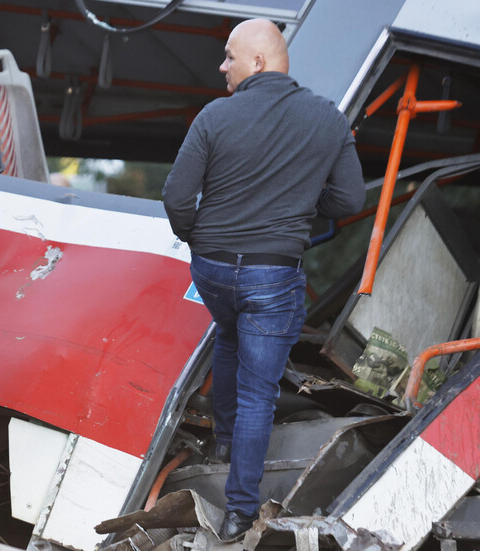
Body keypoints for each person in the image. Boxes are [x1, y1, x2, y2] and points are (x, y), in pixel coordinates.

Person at [161, 18, 365, 541]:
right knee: (259, 395)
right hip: (272, 274)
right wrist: (297, 203)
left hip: (213, 271)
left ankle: (226, 443)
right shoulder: (327, 120)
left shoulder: (214, 117)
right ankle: (239, 513)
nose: (221, 66)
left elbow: (177, 198)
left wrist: (200, 239)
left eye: (229, 56)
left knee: (229, 333)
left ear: (258, 61)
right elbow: (348, 202)